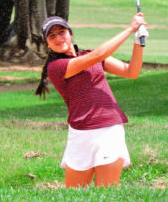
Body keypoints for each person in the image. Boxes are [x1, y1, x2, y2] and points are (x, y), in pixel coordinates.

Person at [35, 13, 148, 188]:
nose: (58, 38)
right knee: (73, 196)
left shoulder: (89, 55)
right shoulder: (56, 67)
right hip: (79, 134)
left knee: (105, 193)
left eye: (61, 32)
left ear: (70, 34)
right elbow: (97, 56)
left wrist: (138, 42)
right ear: (47, 43)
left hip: (109, 129)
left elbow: (131, 72)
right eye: (52, 36)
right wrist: (130, 28)